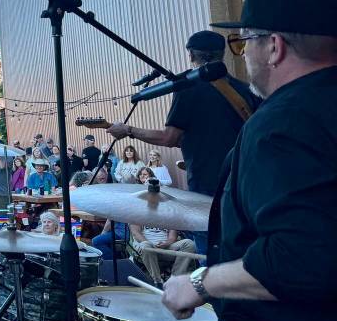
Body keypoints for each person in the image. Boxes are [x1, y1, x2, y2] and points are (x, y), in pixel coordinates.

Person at [83, 0, 337, 321]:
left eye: (245, 43)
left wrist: (198, 283)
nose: (245, 56)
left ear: (273, 46)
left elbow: (302, 261)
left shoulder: (282, 122)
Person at [109, 30, 257, 250]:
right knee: (242, 243)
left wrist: (129, 130)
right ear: (223, 54)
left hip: (206, 181)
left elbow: (170, 137)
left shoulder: (188, 87)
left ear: (191, 55)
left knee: (208, 244)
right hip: (246, 180)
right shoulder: (245, 90)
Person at [128, 224, 197, 284]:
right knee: (145, 245)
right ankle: (157, 281)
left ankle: (175, 278)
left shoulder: (167, 214)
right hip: (146, 249)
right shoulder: (138, 213)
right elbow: (136, 233)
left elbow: (172, 237)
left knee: (189, 243)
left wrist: (167, 243)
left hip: (166, 248)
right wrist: (151, 245)